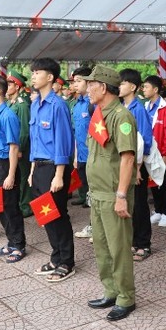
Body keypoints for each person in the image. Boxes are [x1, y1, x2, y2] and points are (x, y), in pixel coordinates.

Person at [83, 65, 138, 321]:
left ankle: (126, 296)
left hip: (114, 194)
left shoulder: (121, 116)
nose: (87, 89)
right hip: (97, 193)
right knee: (102, 247)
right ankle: (111, 291)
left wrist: (121, 195)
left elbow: (128, 159)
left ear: (103, 87)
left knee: (118, 248)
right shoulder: (99, 114)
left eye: (91, 84)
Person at [29, 58, 75, 281]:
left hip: (54, 169)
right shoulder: (35, 104)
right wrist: (31, 171)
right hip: (38, 167)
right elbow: (35, 141)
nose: (33, 76)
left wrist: (59, 175)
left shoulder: (58, 105)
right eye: (33, 72)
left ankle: (66, 261)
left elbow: (63, 142)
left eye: (38, 72)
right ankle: (55, 257)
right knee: (45, 215)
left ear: (50, 77)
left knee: (57, 215)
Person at [0, 75, 27, 263]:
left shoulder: (8, 115)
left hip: (4, 166)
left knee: (10, 207)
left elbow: (13, 147)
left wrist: (10, 174)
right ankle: (11, 242)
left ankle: (19, 245)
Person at [118, 68, 154, 261]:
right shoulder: (122, 107)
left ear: (132, 86)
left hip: (136, 165)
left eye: (122, 83)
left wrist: (138, 167)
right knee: (131, 204)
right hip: (126, 164)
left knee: (140, 205)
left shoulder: (138, 109)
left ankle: (144, 244)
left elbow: (144, 140)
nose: (119, 86)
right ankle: (134, 241)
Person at [143, 75, 166, 227]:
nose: (143, 89)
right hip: (150, 153)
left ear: (155, 90)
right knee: (154, 183)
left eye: (146, 87)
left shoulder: (165, 108)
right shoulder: (146, 106)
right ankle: (158, 210)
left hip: (162, 153)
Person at [5, 69, 33, 218]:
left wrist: (20, 148)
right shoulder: (11, 103)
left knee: (23, 176)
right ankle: (20, 203)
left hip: (21, 147)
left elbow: (24, 129)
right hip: (12, 147)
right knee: (17, 176)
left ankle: (26, 206)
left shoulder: (21, 105)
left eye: (9, 84)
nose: (6, 87)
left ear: (17, 86)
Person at [71, 67, 94, 237]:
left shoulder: (93, 104)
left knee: (96, 195)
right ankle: (93, 225)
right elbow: (76, 132)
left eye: (79, 80)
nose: (75, 84)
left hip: (94, 157)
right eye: (74, 81)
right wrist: (76, 155)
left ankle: (97, 227)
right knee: (88, 194)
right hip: (82, 157)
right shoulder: (76, 105)